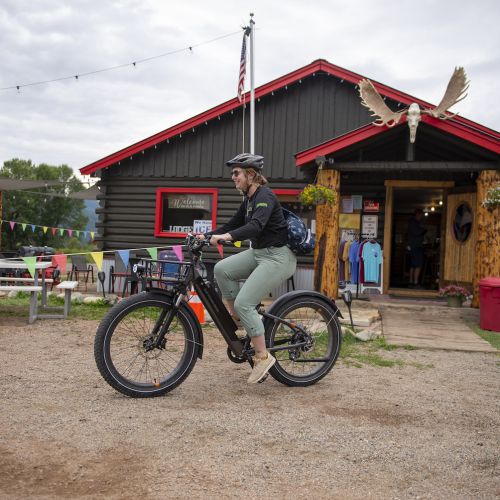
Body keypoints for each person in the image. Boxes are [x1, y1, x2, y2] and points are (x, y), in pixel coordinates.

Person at [196, 153, 297, 383]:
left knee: (245, 302)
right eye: (233, 173)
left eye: (236, 173)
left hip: (277, 257)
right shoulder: (248, 200)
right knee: (222, 269)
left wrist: (226, 237)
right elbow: (233, 224)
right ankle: (238, 317)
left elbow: (255, 226)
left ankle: (262, 357)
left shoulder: (265, 196)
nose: (233, 177)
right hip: (259, 253)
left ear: (251, 174)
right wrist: (207, 235)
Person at [407, 208, 427, 288]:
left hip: (413, 246)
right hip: (416, 246)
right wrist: (424, 229)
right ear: (417, 214)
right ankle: (415, 283)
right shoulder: (414, 223)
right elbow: (417, 232)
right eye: (421, 215)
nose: (421, 217)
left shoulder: (413, 222)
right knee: (418, 265)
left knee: (413, 265)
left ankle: (411, 282)